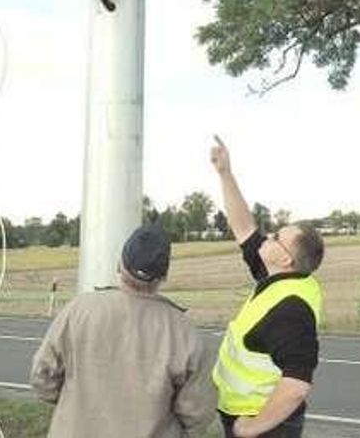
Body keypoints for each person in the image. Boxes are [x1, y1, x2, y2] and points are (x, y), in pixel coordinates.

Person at [29, 224, 216, 437]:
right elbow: (197, 413)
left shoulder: (77, 310)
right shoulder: (185, 333)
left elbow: (42, 377)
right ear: (163, 277)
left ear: (119, 264)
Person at [209, 135, 325, 438]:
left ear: (285, 259)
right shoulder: (275, 277)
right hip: (245, 415)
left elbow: (297, 386)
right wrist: (225, 173)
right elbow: (244, 228)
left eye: (276, 238)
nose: (268, 237)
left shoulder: (292, 311)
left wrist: (251, 429)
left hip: (268, 427)